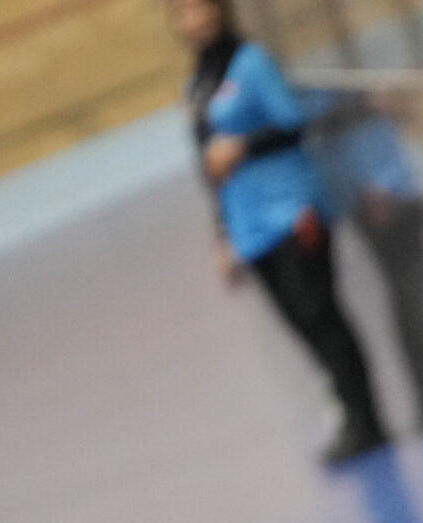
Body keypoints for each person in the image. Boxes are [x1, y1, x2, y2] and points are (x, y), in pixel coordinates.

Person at [170, 0, 387, 464]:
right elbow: (209, 168)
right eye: (185, 12)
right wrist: (222, 237)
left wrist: (244, 146)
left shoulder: (252, 62)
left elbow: (293, 121)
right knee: (299, 322)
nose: (198, 19)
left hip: (291, 208)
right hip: (249, 226)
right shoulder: (196, 87)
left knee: (321, 313)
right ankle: (347, 410)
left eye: (203, 8)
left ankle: (368, 421)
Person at [302, 92, 423, 433]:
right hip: (382, 194)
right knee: (410, 301)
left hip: (393, 187)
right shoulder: (333, 97)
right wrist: (371, 188)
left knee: (413, 301)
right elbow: (333, 126)